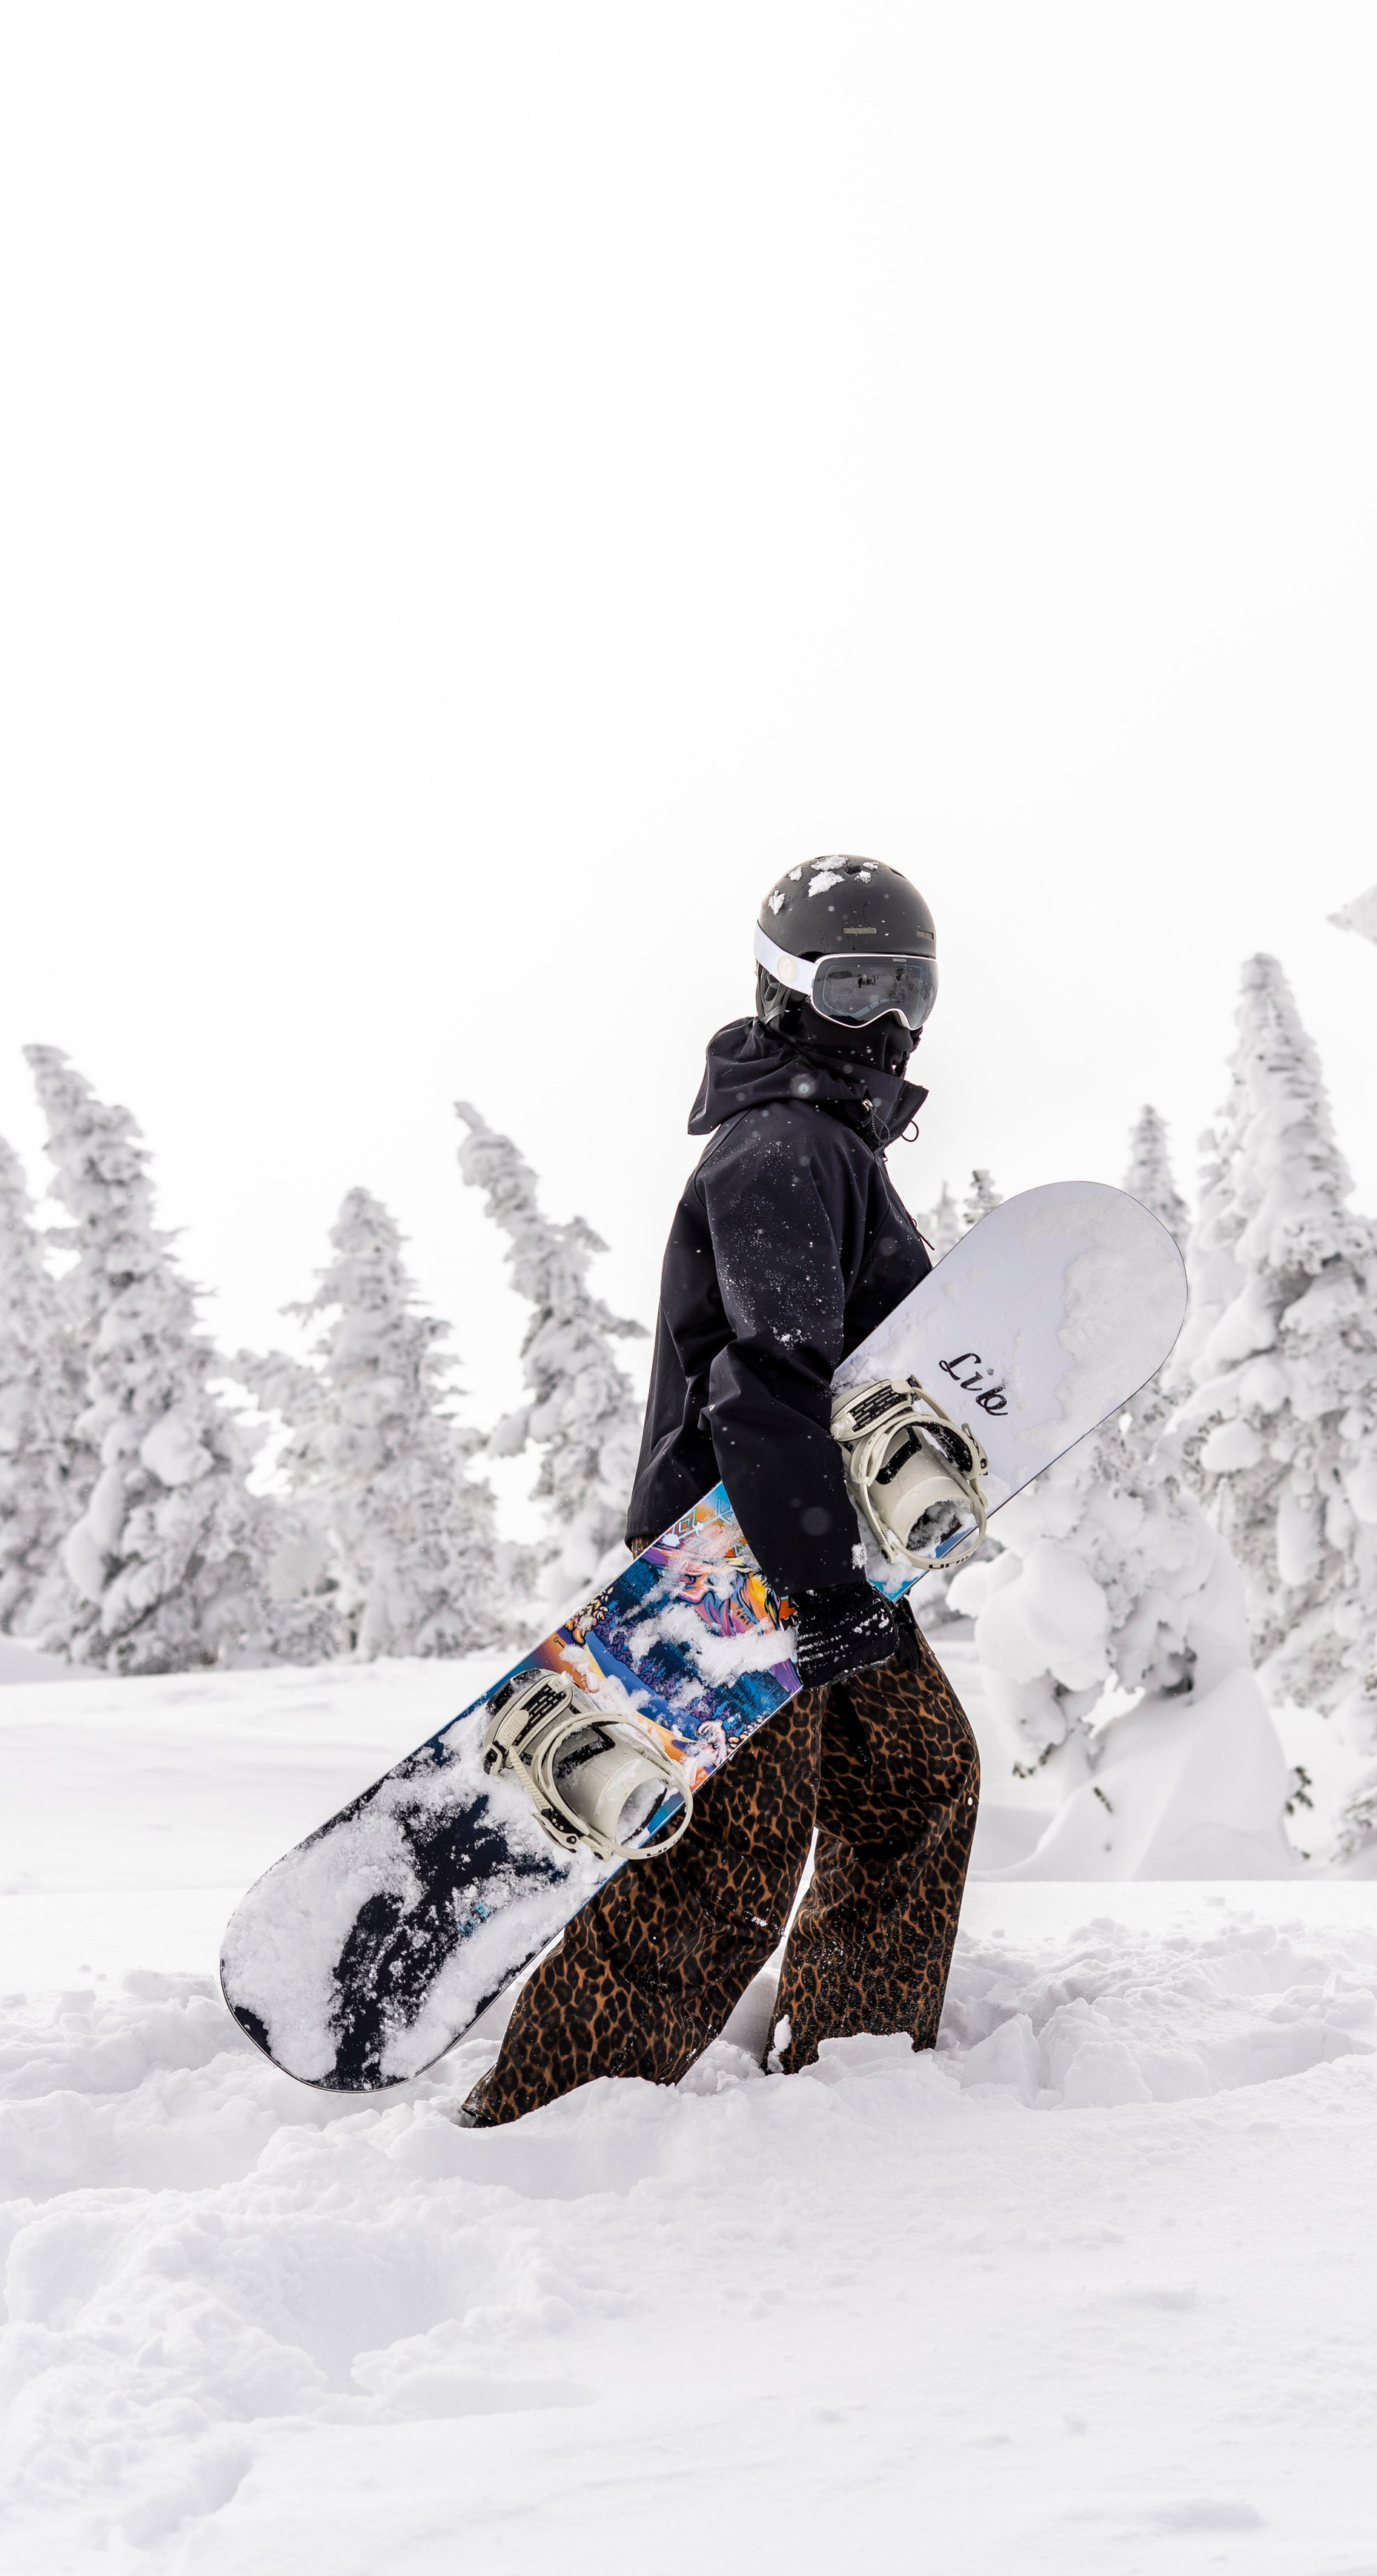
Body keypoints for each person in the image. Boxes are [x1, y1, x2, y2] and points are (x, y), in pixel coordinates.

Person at [461, 855, 981, 2124]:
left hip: (811, 1547)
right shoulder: (783, 1150)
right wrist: (817, 1586)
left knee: (915, 1780)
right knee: (728, 1861)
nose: (885, 1019)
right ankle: (542, 2126)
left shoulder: (831, 1147)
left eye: (906, 990)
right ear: (786, 989)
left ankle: (857, 2065)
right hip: (743, 1557)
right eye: (852, 986)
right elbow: (762, 1386)